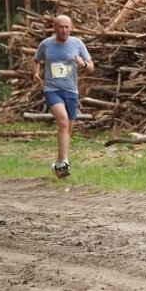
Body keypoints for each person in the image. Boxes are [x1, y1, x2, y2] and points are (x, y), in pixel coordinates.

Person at [31, 14, 94, 178]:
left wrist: (84, 64)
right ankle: (65, 162)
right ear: (55, 28)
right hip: (52, 90)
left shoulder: (77, 44)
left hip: (71, 91)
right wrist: (35, 73)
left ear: (71, 28)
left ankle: (58, 166)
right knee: (63, 123)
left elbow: (91, 67)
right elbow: (35, 60)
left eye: (67, 27)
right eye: (61, 27)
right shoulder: (46, 44)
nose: (64, 30)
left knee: (67, 130)